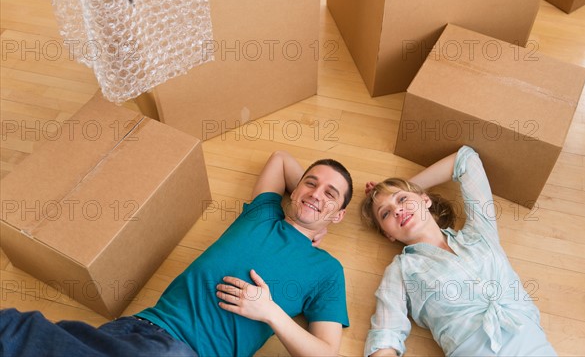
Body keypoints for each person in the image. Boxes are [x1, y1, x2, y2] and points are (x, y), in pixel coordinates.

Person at [0, 150, 353, 357]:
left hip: (186, 351)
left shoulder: (327, 270)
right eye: (310, 182)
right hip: (134, 327)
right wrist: (309, 207)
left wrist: (271, 312)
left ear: (340, 216)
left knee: (18, 332)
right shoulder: (264, 212)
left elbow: (325, 353)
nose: (317, 191)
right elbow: (279, 159)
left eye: (331, 194)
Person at [361, 146, 556, 357]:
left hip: (532, 343)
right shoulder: (402, 269)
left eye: (401, 199)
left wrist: (405, 187)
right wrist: (403, 194)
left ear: (425, 200)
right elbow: (385, 336)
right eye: (386, 213)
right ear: (388, 234)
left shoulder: (480, 233)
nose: (398, 210)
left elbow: (466, 160)